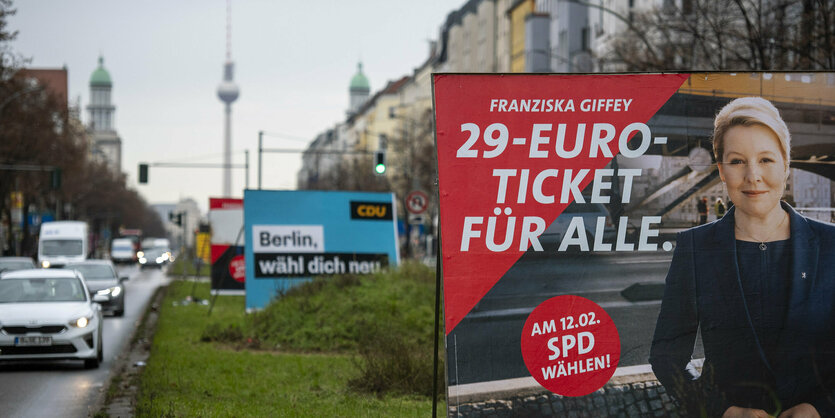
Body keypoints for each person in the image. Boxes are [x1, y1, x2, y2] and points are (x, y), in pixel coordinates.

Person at [650, 97, 835, 418]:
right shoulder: (694, 248)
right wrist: (723, 411)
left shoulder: (831, 243)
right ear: (721, 170)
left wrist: (819, 408)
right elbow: (666, 355)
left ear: (786, 165)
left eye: (766, 159)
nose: (753, 175)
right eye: (736, 161)